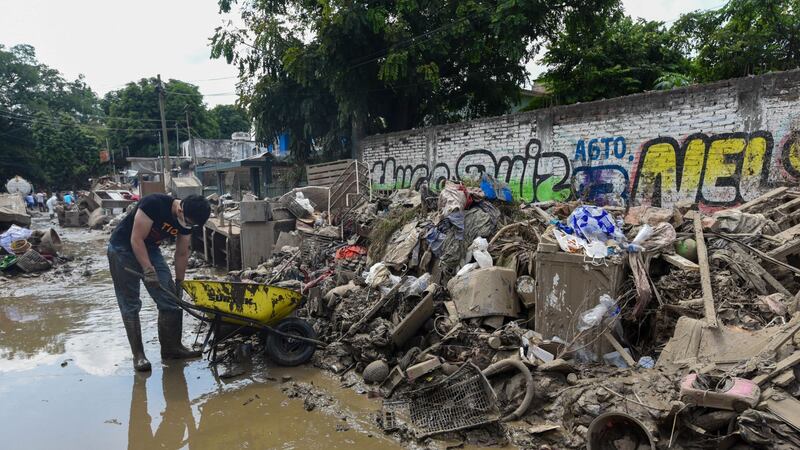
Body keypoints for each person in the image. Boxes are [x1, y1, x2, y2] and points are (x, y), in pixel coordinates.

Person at [107, 194, 211, 372]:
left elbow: (181, 253)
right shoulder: (154, 204)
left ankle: (172, 349)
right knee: (130, 303)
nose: (187, 226)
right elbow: (136, 239)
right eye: (188, 222)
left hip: (151, 249)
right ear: (180, 209)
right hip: (122, 248)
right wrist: (148, 270)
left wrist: (179, 282)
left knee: (169, 298)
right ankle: (138, 355)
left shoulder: (186, 222)